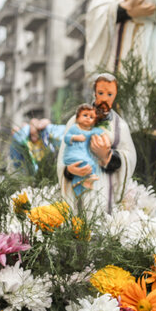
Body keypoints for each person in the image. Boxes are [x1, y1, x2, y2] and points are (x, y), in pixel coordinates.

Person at [58, 73, 136, 213]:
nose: (105, 99)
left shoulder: (120, 127)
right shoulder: (75, 123)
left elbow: (130, 157)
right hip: (80, 186)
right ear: (94, 93)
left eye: (110, 94)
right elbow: (63, 157)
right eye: (101, 93)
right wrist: (69, 170)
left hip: (106, 190)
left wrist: (107, 156)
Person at [63, 103, 105, 194]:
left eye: (91, 117)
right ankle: (83, 182)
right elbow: (66, 138)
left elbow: (99, 132)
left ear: (94, 122)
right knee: (86, 163)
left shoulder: (90, 131)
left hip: (83, 154)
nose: (87, 118)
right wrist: (75, 137)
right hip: (73, 154)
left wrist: (103, 135)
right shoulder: (74, 128)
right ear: (77, 118)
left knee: (91, 164)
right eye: (85, 115)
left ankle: (84, 183)